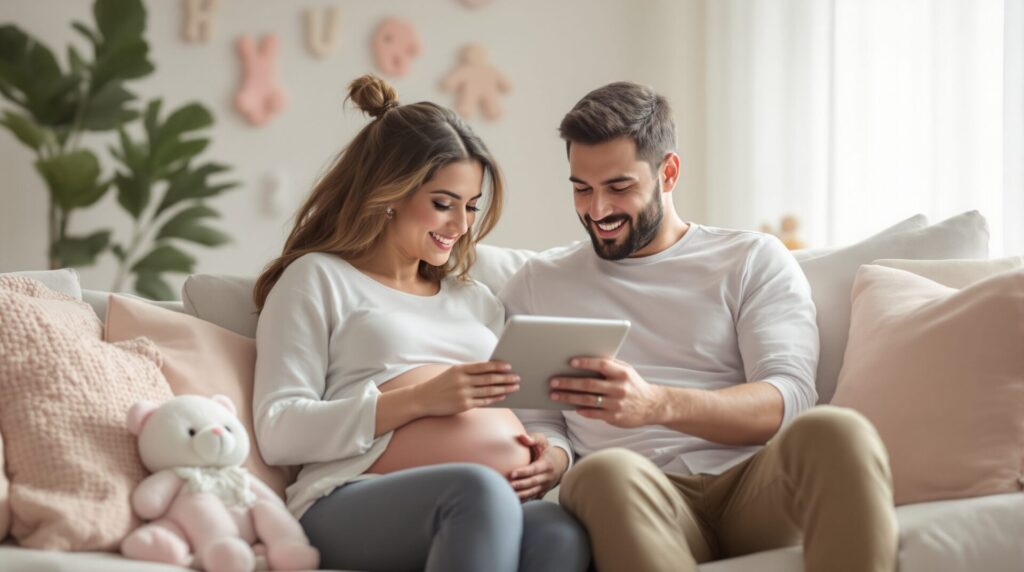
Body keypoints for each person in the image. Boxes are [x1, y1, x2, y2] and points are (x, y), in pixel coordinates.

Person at [500, 81, 898, 572]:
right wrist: (551, 458)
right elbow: (541, 422)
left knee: (837, 430)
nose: (597, 210)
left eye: (619, 187)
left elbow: (789, 397)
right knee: (599, 472)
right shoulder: (540, 282)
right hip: (637, 492)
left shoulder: (750, 259)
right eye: (582, 189)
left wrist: (655, 404)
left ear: (668, 173)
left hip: (752, 486)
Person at [251, 75, 590, 572]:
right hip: (349, 497)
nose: (460, 226)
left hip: (490, 501)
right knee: (477, 493)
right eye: (443, 203)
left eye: (470, 207)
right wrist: (417, 402)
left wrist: (553, 457)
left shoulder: (476, 300)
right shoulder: (319, 278)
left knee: (559, 532)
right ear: (390, 191)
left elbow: (536, 417)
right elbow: (279, 429)